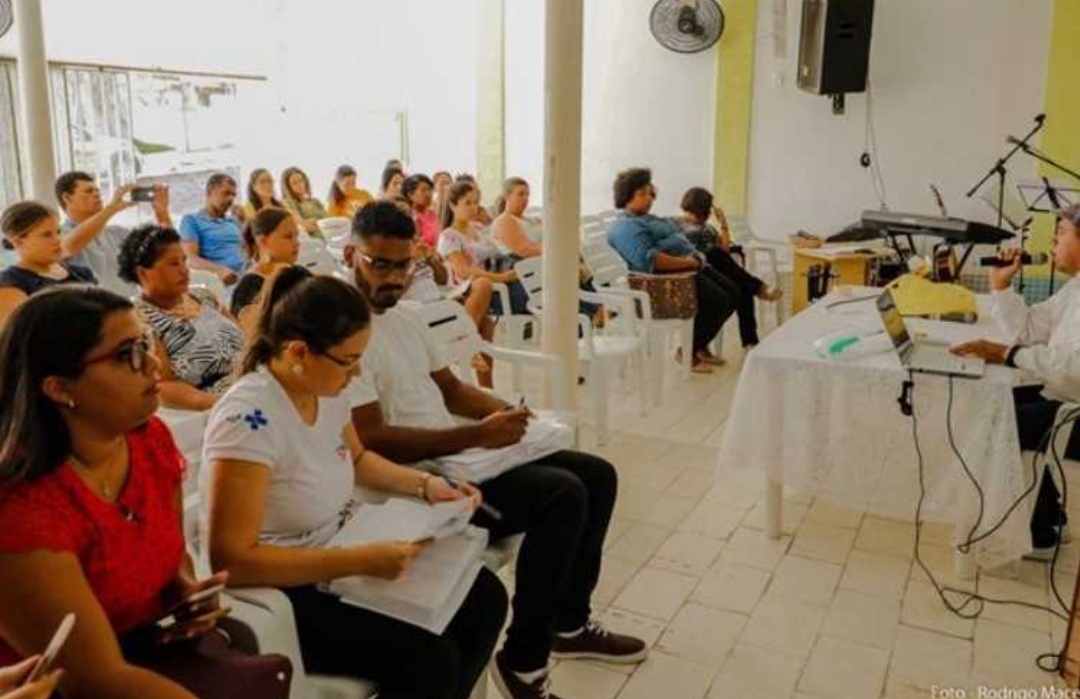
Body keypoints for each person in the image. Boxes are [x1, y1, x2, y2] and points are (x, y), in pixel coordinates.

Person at [345, 203, 648, 699]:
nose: (393, 278)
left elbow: (453, 392)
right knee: (562, 494)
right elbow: (373, 441)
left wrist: (511, 415)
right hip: (419, 484)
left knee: (598, 474)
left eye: (404, 265)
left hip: (460, 454)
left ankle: (568, 626)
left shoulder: (406, 318)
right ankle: (524, 661)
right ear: (350, 254)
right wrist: (476, 435)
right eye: (379, 264)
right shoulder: (344, 330)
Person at [200, 265, 507, 699]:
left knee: (485, 599)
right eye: (348, 360)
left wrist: (426, 486)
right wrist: (361, 561)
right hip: (287, 584)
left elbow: (358, 459)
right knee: (429, 659)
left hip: (341, 547)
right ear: (298, 353)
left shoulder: (328, 389)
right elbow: (232, 558)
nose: (357, 374)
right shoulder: (248, 420)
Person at [0, 286, 279, 699]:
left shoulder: (148, 441)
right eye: (125, 354)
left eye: (146, 343)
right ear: (59, 388)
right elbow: (97, 681)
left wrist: (183, 590)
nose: (153, 365)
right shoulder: (22, 509)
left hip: (152, 652)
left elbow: (170, 553)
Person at [952, 203, 1080, 557]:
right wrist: (1001, 287)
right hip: (1065, 395)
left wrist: (1007, 354)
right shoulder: (1075, 289)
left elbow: (1075, 367)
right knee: (993, 403)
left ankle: (1040, 533)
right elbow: (1026, 331)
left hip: (1075, 407)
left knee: (1003, 422)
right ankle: (1050, 518)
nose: (1053, 240)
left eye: (1063, 233)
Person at [607, 168, 737, 373]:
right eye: (642, 194)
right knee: (720, 300)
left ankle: (699, 346)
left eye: (650, 193)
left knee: (733, 293)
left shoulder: (648, 218)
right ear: (626, 196)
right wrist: (689, 263)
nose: (649, 198)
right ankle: (688, 352)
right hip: (662, 284)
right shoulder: (625, 227)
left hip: (686, 271)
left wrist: (694, 258)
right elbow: (651, 260)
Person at [118, 225, 244, 411]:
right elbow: (164, 385)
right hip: (216, 407)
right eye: (173, 264)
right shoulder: (140, 320)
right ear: (143, 273)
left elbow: (246, 340)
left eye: (184, 261)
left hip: (252, 385)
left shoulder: (203, 296)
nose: (185, 270)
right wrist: (225, 404)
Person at [675, 187, 781, 347]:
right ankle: (758, 287)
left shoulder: (708, 228)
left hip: (715, 272)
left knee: (743, 289)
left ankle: (750, 342)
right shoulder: (676, 225)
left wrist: (723, 223)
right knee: (713, 252)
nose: (703, 215)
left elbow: (725, 249)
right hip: (696, 273)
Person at [491, 177, 604, 325]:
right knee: (565, 272)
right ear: (507, 196)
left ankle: (596, 308)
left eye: (527, 194)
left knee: (581, 265)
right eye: (521, 194)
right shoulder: (504, 221)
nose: (526, 198)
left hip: (543, 265)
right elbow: (523, 250)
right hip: (522, 276)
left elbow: (555, 236)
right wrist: (558, 253)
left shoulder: (531, 219)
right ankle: (593, 312)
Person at [56, 171, 171, 294]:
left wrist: (161, 212)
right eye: (89, 191)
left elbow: (165, 246)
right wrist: (111, 208)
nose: (96, 195)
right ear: (67, 198)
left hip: (129, 308)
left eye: (98, 191)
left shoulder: (116, 233)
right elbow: (67, 247)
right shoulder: (60, 234)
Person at [0, 201, 96, 329]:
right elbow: (14, 341)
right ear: (18, 242)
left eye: (58, 232)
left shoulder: (81, 272)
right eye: (47, 235)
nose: (58, 240)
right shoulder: (11, 283)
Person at [439, 180, 527, 316]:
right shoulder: (449, 236)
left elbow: (500, 250)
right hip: (472, 290)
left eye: (476, 203)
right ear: (452, 205)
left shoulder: (478, 228)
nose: (473, 208)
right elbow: (464, 271)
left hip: (495, 282)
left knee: (533, 278)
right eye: (467, 203)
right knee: (533, 293)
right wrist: (500, 277)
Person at [232, 208, 302, 331]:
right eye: (288, 237)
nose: (297, 243)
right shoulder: (248, 288)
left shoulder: (298, 272)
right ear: (263, 241)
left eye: (297, 236)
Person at [178, 174, 245, 284]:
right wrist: (219, 270)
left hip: (247, 275)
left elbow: (249, 249)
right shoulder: (192, 220)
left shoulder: (234, 221)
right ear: (210, 192)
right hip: (224, 281)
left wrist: (244, 220)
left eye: (233, 195)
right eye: (226, 193)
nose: (231, 199)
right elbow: (190, 259)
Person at [280, 166, 328, 238]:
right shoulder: (288, 202)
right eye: (294, 183)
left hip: (330, 237)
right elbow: (302, 225)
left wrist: (315, 222)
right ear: (288, 187)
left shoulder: (315, 201)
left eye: (301, 180)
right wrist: (319, 223)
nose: (299, 184)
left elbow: (329, 221)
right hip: (313, 242)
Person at [402, 174, 439, 247]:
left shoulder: (435, 214)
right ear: (410, 195)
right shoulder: (408, 218)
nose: (428, 194)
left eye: (430, 190)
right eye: (423, 190)